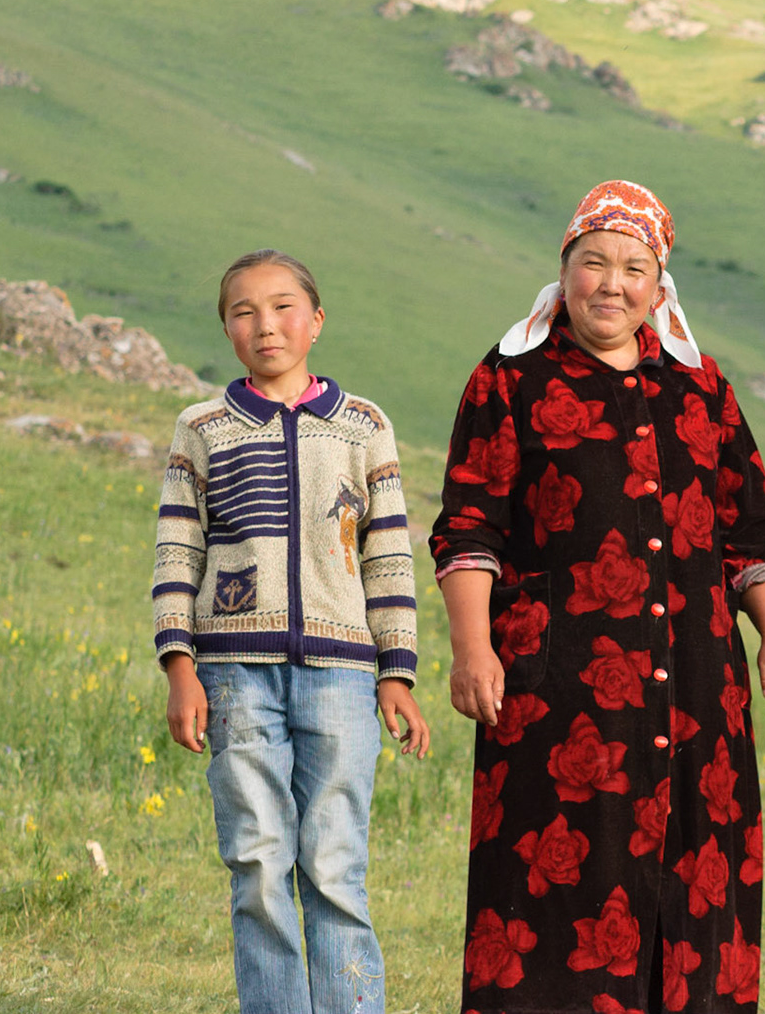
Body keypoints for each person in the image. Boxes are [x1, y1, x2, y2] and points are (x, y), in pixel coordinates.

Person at [433, 180, 765, 1013]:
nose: (612, 283)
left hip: (701, 695)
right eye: (593, 262)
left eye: (633, 268)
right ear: (563, 272)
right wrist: (472, 647)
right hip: (557, 695)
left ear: (659, 287)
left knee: (695, 891)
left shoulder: (703, 390)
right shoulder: (509, 380)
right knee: (554, 893)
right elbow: (468, 528)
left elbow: (752, 534)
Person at [151, 248, 430, 1014]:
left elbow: (389, 555)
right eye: (243, 311)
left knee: (335, 865)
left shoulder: (364, 426)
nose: (264, 325)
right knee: (257, 858)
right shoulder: (201, 427)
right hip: (234, 675)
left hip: (343, 677)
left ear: (316, 320)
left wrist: (396, 673)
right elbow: (179, 550)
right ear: (226, 328)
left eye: (281, 307)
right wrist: (179, 663)